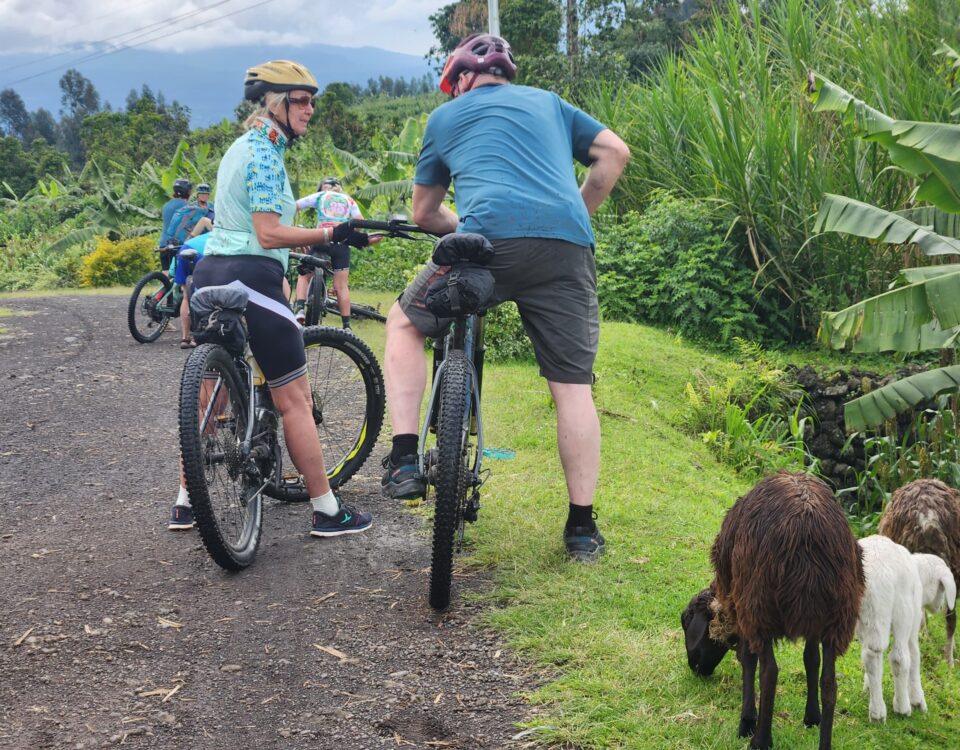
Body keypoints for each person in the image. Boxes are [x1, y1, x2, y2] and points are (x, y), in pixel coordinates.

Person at [379, 34, 630, 562]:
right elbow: (613, 153)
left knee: (404, 322)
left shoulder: (445, 118)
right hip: (566, 249)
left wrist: (470, 228)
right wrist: (577, 212)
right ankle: (582, 529)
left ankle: (403, 457)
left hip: (486, 246)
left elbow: (424, 213)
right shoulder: (548, 103)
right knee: (572, 388)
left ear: (464, 79)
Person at [168, 60, 374, 536]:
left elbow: (251, 227)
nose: (310, 110)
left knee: (208, 396)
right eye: (302, 101)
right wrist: (330, 231)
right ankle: (327, 510)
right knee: (295, 399)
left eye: (311, 101)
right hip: (251, 277)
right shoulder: (262, 153)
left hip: (213, 272)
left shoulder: (240, 149)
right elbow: (267, 231)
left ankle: (185, 502)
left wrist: (301, 240)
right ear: (276, 103)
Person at [293, 177, 369, 329]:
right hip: (341, 245)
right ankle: (346, 325)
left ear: (323, 187)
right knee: (341, 285)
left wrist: (293, 226)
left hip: (322, 238)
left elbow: (295, 205)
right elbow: (360, 221)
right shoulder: (348, 200)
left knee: (304, 276)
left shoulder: (321, 196)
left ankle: (300, 309)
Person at [158, 178, 192, 274]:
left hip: (163, 244)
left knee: (166, 274)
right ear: (188, 192)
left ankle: (166, 287)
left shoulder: (166, 205)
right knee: (182, 273)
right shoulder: (187, 206)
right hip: (177, 244)